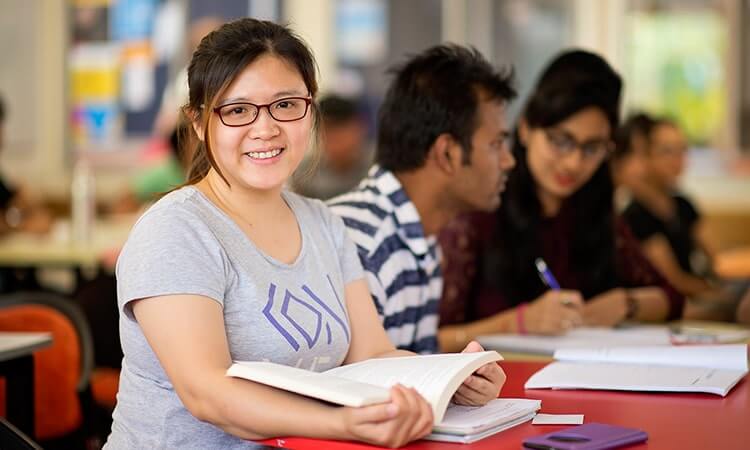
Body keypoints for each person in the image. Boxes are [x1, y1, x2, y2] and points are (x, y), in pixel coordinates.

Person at [105, 19, 504, 450]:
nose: (266, 128)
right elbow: (208, 393)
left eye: (286, 104)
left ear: (310, 111)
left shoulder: (323, 223)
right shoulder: (175, 230)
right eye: (237, 110)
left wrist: (449, 379)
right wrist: (342, 424)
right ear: (199, 123)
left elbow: (374, 356)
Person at [437, 50, 685, 352]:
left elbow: (671, 297)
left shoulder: (592, 210)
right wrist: (518, 322)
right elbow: (431, 339)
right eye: (561, 141)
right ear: (527, 129)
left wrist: (626, 303)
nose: (573, 163)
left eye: (592, 148)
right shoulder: (481, 209)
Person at [328, 45, 517, 354]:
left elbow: (415, 368)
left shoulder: (421, 240)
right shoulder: (360, 242)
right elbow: (348, 389)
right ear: (447, 154)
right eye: (497, 144)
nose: (508, 161)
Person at [619, 115, 749, 318]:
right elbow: (674, 280)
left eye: (682, 150)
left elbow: (715, 258)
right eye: (667, 151)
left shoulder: (683, 204)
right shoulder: (636, 215)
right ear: (647, 157)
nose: (678, 160)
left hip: (701, 291)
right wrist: (718, 294)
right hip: (678, 302)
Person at [292, 94, 371, 200]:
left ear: (359, 129)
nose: (334, 138)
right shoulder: (306, 172)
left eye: (340, 130)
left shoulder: (380, 166)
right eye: (328, 130)